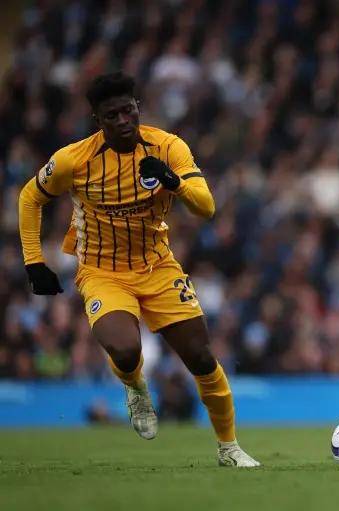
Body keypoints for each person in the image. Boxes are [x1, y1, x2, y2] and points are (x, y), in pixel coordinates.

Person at [18, 72, 260, 468]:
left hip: (157, 265)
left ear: (138, 108)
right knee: (126, 349)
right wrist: (33, 261)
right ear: (97, 120)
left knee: (201, 357)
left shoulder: (167, 147)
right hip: (102, 271)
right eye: (111, 115)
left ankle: (229, 448)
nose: (123, 121)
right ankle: (135, 387)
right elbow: (30, 197)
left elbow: (206, 207)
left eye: (128, 111)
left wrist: (174, 181)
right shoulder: (73, 160)